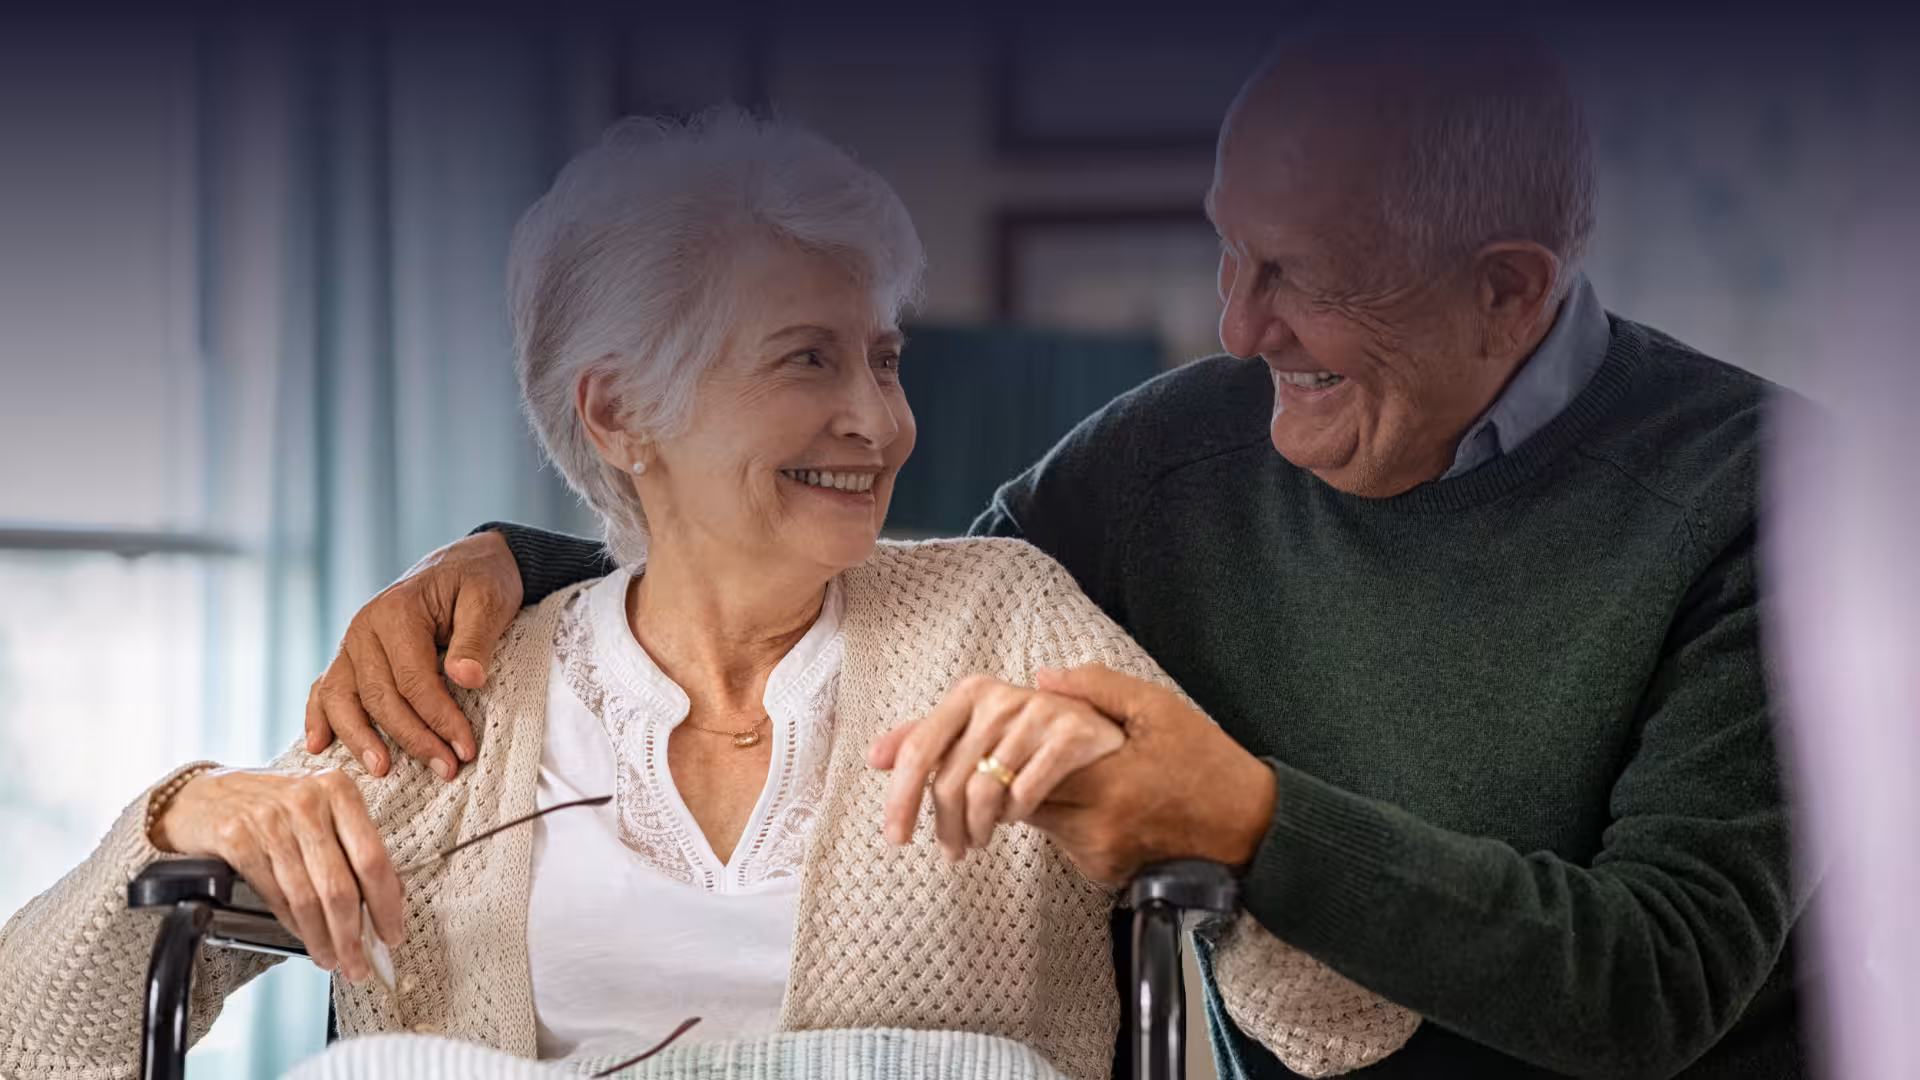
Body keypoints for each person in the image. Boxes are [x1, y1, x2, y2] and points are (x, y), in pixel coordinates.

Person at [304, 22, 1808, 1080]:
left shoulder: (1783, 497)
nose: (1237, 328)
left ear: (1507, 291)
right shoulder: (1177, 453)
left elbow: (1661, 976)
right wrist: (527, 572)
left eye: (1299, 277)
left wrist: (1246, 818)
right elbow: (888, 603)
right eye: (1229, 248)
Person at [0, 110, 1413, 1080]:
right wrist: (182, 812)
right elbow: (34, 1040)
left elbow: (1342, 1023)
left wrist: (1201, 822)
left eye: (884, 356)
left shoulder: (1004, 616)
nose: (879, 420)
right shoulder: (467, 695)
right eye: (808, 359)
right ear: (620, 412)